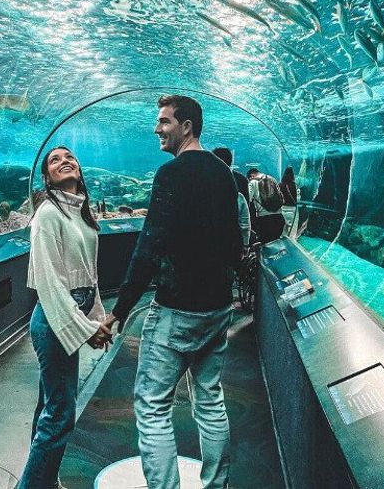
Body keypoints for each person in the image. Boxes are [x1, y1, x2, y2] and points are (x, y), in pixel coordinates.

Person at [100, 95, 241, 489]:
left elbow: (150, 246)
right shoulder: (223, 174)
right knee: (210, 400)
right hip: (216, 308)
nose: (157, 128)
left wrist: (121, 308)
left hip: (177, 310)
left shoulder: (171, 174)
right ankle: (217, 484)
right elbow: (233, 242)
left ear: (187, 126)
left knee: (152, 405)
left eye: (163, 121)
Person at [17, 146, 112, 489]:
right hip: (54, 319)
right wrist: (87, 329)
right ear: (46, 177)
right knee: (60, 416)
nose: (64, 161)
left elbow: (90, 274)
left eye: (69, 156)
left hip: (74, 313)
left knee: (50, 406)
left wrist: (97, 319)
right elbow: (51, 285)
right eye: (54, 160)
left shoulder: (83, 214)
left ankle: (45, 478)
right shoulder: (47, 214)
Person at [247, 168, 286, 243]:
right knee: (275, 244)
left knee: (263, 245)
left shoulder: (252, 182)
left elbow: (248, 200)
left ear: (251, 176)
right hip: (279, 217)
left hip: (264, 219)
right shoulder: (272, 179)